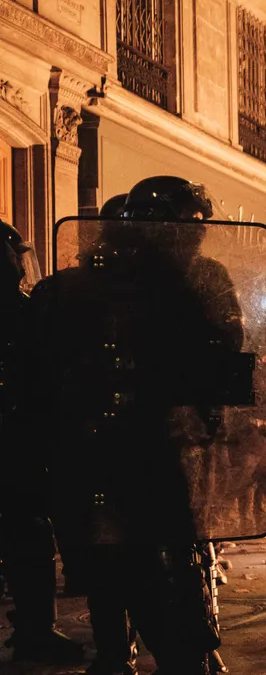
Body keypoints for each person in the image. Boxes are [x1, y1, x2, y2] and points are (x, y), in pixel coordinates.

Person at [21, 175, 252, 675]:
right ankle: (138, 656)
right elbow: (37, 381)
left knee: (149, 569)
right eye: (183, 228)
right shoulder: (72, 290)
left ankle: (155, 655)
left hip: (146, 456)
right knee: (129, 570)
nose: (192, 239)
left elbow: (224, 365)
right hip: (112, 459)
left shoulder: (192, 281)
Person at [0, 219, 86, 666]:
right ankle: (34, 631)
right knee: (29, 535)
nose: (20, 264)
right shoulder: (19, 313)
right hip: (18, 444)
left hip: (22, 439)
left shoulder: (23, 309)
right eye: (15, 255)